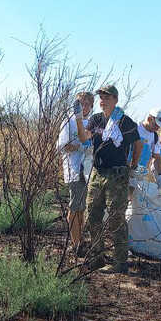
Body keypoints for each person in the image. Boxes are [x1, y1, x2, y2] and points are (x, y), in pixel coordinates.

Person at [75, 85, 142, 275]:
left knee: (116, 218)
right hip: (98, 172)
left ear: (116, 100)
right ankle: (97, 258)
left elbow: (138, 146)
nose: (103, 101)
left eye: (107, 97)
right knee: (93, 215)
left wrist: (132, 166)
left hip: (117, 174)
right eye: (101, 97)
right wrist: (79, 118)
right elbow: (83, 138)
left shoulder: (125, 122)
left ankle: (120, 262)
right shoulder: (96, 119)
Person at [56, 91, 95, 255]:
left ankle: (80, 242)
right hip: (75, 167)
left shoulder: (93, 122)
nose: (84, 107)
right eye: (81, 104)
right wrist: (80, 146)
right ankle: (76, 245)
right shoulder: (69, 122)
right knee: (74, 207)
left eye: (87, 104)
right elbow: (61, 146)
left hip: (90, 169)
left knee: (81, 208)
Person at [129, 108, 161, 196]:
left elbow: (157, 156)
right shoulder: (134, 129)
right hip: (127, 174)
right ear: (149, 119)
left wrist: (160, 175)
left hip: (141, 176)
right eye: (155, 125)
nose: (157, 128)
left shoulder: (154, 136)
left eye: (159, 126)